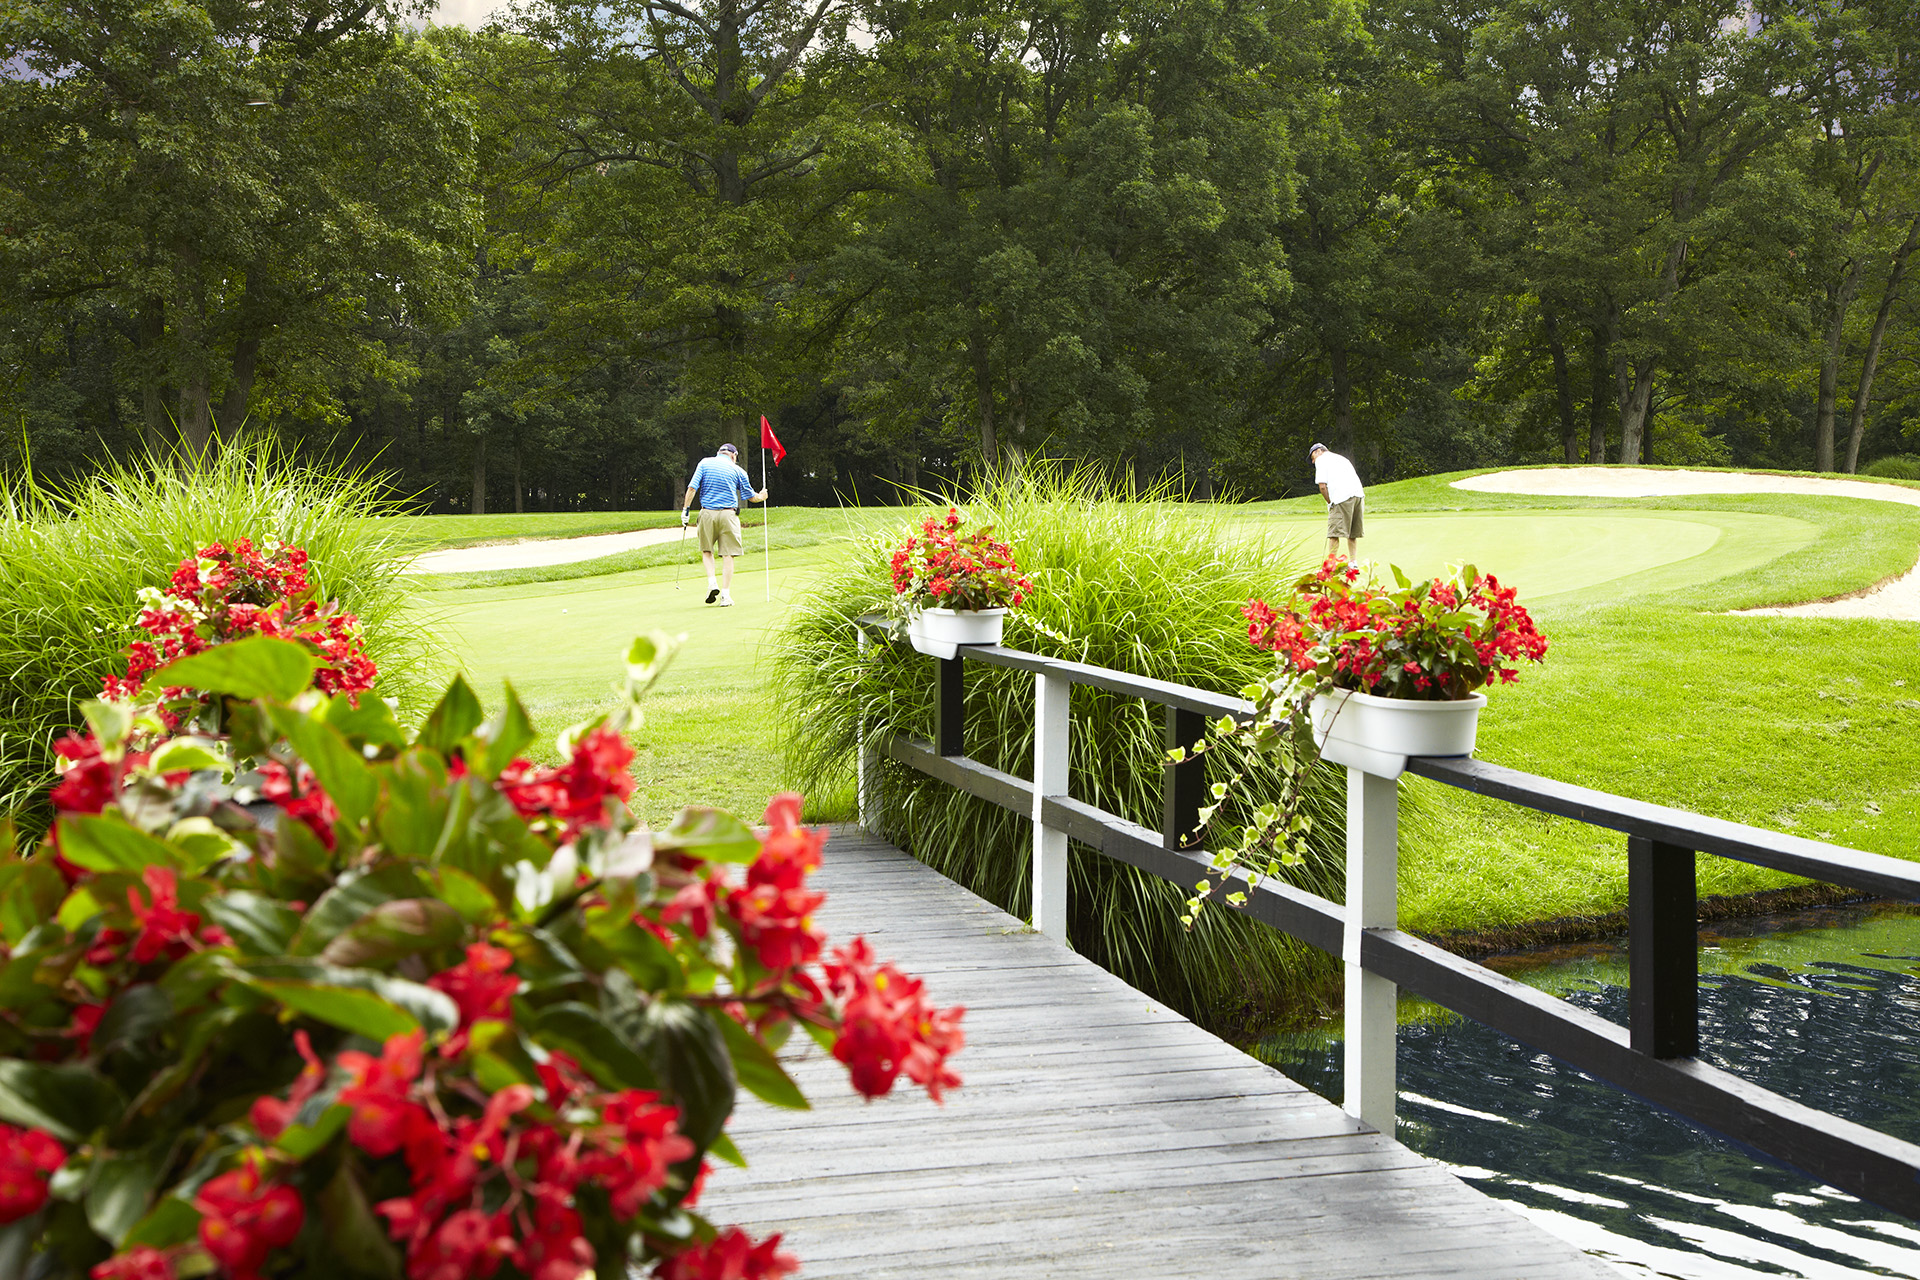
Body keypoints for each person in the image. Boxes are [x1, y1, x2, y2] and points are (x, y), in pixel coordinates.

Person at [680, 443, 767, 606]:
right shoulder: (738, 470)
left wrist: (685, 510)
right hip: (728, 515)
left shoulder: (704, 463)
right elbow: (751, 497)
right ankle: (725, 596)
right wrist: (762, 496)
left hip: (707, 513)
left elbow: (692, 488)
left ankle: (712, 583)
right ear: (733, 455)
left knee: (707, 550)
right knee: (728, 554)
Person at [1309, 442, 1364, 563]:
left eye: (1312, 457)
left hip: (1342, 497)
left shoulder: (1321, 459)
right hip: (1358, 495)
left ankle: (1330, 565)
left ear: (1318, 451)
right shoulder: (1342, 458)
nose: (1313, 461)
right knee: (1352, 533)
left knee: (1333, 534)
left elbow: (1322, 486)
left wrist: (1329, 502)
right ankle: (1353, 563)